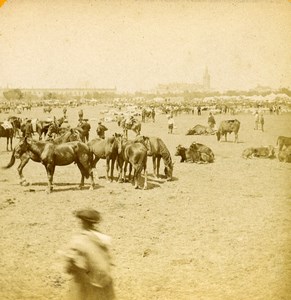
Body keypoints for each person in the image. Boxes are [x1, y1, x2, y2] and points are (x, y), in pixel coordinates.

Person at [62, 209, 115, 300]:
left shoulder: (79, 240)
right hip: (104, 281)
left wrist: (69, 267)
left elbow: (70, 264)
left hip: (85, 284)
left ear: (83, 222)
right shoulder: (103, 238)